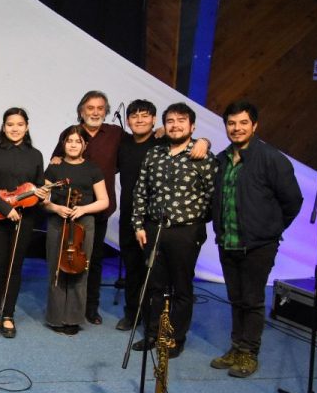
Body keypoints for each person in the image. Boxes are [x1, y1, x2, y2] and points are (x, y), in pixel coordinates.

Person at [50, 91, 208, 325]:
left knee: (95, 261)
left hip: (115, 210)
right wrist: (55, 160)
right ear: (81, 111)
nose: (95, 112)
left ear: (106, 111)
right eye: (90, 108)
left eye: (100, 108)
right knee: (112, 263)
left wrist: (204, 141)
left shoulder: (117, 134)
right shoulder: (72, 134)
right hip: (76, 208)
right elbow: (57, 159)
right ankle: (119, 313)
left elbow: (180, 140)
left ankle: (92, 309)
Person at [210, 101, 303, 377]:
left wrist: (269, 229)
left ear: (254, 125)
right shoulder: (222, 158)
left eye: (243, 123)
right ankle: (236, 347)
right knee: (235, 297)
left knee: (252, 299)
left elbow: (293, 201)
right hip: (228, 241)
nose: (236, 129)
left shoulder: (271, 158)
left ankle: (249, 353)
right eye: (231, 123)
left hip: (258, 245)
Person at [131, 103, 217, 358]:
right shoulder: (154, 155)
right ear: (164, 124)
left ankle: (175, 337)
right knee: (153, 285)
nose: (175, 125)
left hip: (186, 232)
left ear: (192, 126)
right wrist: (138, 225)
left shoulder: (204, 157)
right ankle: (153, 333)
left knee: (181, 287)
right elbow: (140, 191)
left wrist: (195, 224)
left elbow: (214, 198)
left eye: (181, 120)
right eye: (170, 120)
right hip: (153, 229)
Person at [0, 107, 47, 338]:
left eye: (19, 124)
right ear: (3, 126)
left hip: (24, 220)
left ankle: (8, 315)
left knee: (14, 268)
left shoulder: (35, 155)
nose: (14, 128)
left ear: (26, 127)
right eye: (10, 124)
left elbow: (36, 187)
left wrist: (43, 195)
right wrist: (6, 209)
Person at [43, 126, 109, 335]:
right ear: (63, 144)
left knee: (79, 270)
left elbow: (104, 201)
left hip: (83, 224)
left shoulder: (93, 169)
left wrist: (82, 209)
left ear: (84, 145)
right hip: (57, 222)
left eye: (77, 141)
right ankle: (55, 318)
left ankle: (73, 318)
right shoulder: (54, 168)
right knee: (56, 270)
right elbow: (42, 199)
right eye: (69, 141)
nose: (73, 144)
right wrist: (55, 207)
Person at [115, 99, 159, 331]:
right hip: (128, 215)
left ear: (154, 119)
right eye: (134, 116)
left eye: (145, 115)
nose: (139, 120)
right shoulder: (123, 144)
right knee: (132, 268)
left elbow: (191, 143)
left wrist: (205, 139)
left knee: (154, 270)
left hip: (154, 219)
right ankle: (132, 314)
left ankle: (154, 319)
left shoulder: (162, 143)